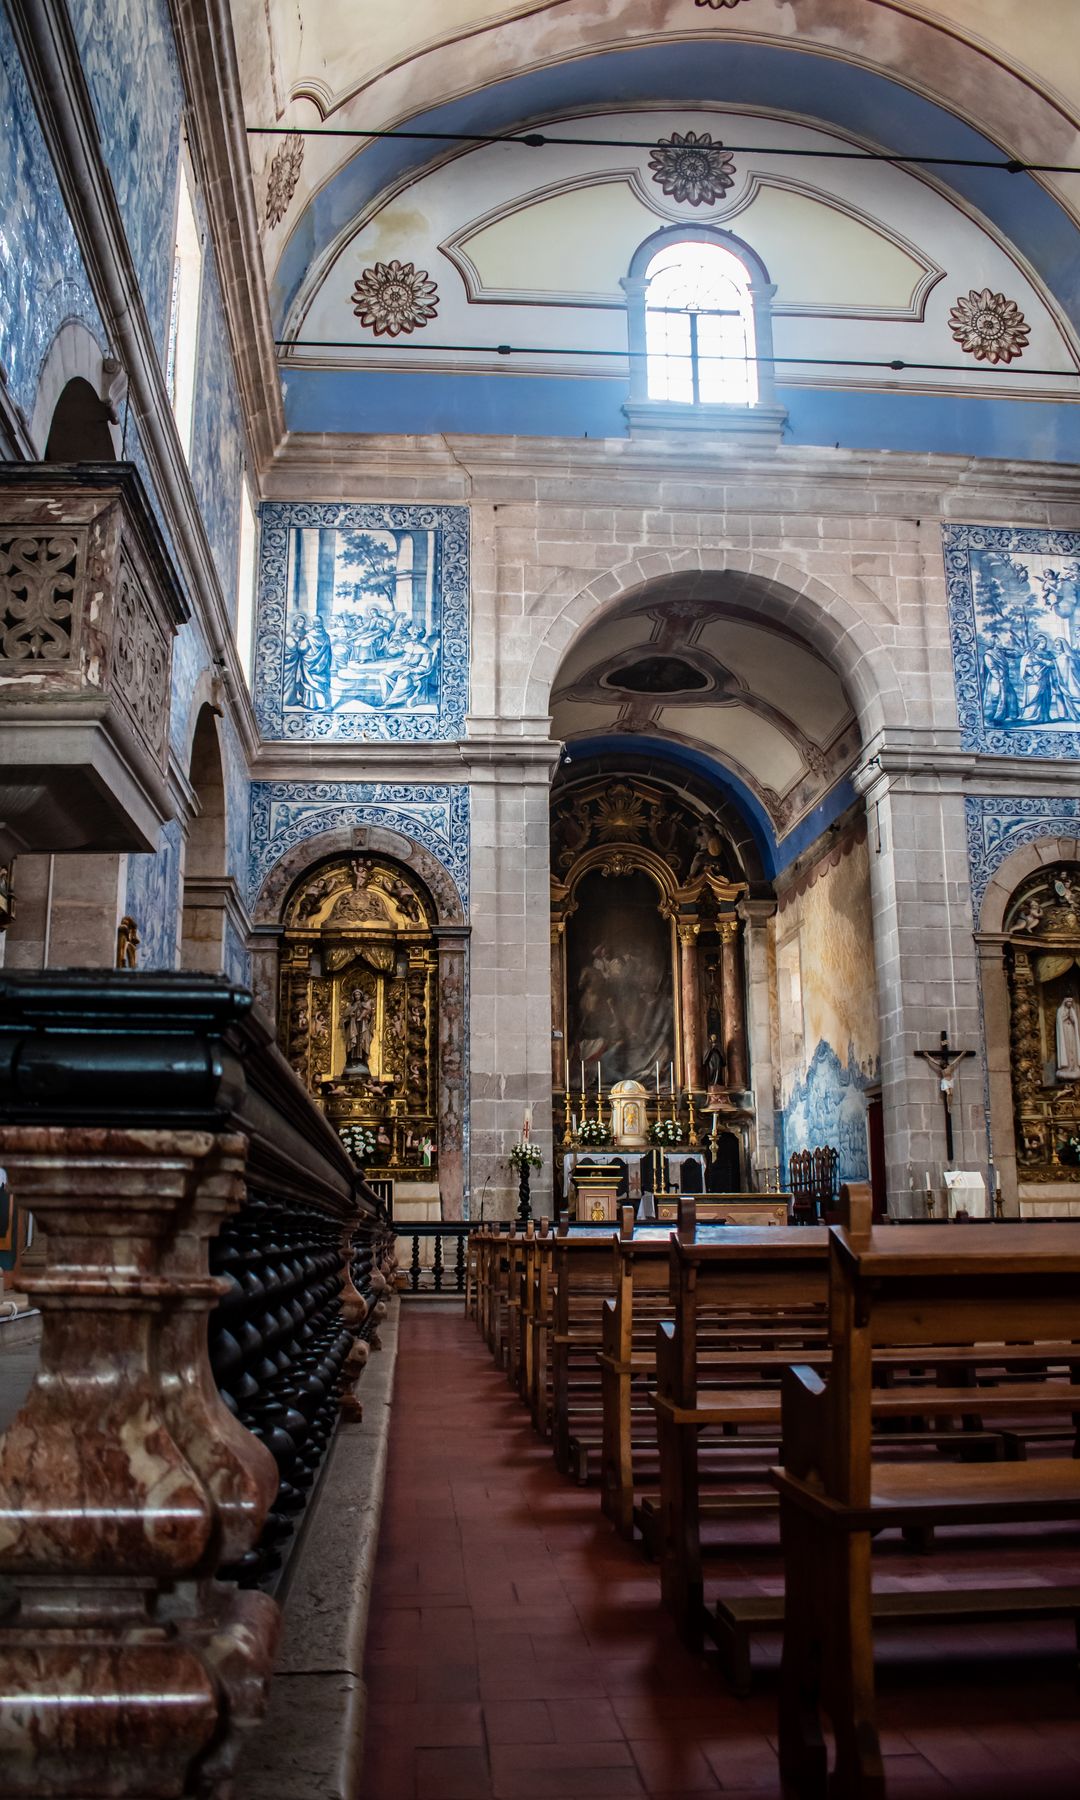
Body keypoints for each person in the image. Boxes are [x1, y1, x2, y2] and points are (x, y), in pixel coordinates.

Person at [1055, 993, 1080, 1080]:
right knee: (1067, 1049)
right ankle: (1067, 1067)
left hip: (1071, 1032)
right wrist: (1066, 1016)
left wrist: (1072, 1018)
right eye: (1068, 1002)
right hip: (1064, 1032)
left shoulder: (1072, 1010)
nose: (1069, 1004)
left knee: (1073, 1049)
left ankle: (1074, 1066)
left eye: (1071, 1002)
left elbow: (1075, 1022)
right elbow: (1059, 1021)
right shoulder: (1060, 1010)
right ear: (1065, 1002)